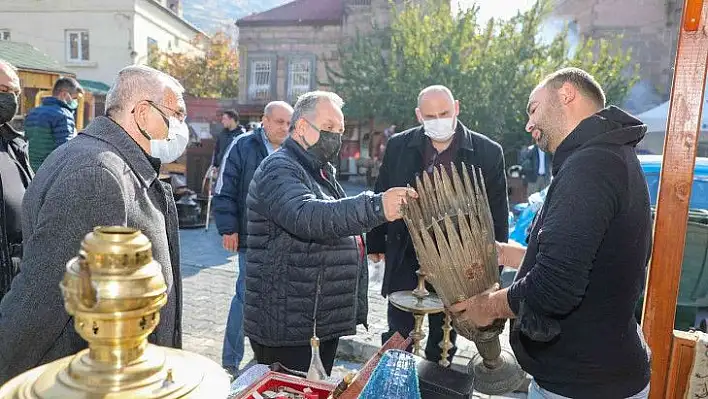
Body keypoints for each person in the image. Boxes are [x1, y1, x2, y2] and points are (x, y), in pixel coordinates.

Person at [449, 67, 651, 398]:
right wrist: (509, 253)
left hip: (583, 385)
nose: (529, 124)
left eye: (533, 108)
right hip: (599, 373)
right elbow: (596, 258)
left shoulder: (590, 166)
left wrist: (485, 306)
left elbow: (556, 286)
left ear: (566, 94)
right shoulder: (610, 153)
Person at [0, 65, 189, 384]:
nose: (182, 128)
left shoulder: (112, 162)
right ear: (143, 113)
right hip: (94, 380)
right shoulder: (97, 176)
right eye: (177, 114)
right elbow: (43, 296)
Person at [244, 91, 417, 373]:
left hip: (316, 319)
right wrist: (376, 207)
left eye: (340, 130)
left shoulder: (319, 170)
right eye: (328, 128)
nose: (335, 136)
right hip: (289, 323)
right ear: (301, 127)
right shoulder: (280, 168)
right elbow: (308, 215)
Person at [366, 85, 509, 364]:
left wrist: (493, 270)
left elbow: (497, 215)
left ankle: (435, 384)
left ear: (456, 107)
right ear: (419, 115)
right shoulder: (399, 145)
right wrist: (375, 241)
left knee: (443, 339)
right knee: (399, 333)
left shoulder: (488, 152)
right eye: (430, 116)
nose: (438, 120)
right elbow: (381, 192)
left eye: (444, 113)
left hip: (460, 262)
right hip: (407, 253)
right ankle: (396, 386)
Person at [212, 100, 294, 377]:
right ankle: (230, 362)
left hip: (287, 240)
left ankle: (267, 358)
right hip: (251, 237)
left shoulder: (295, 149)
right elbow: (225, 187)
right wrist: (228, 228)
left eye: (288, 123)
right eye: (279, 121)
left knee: (279, 300)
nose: (285, 127)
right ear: (265, 120)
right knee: (245, 297)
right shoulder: (243, 145)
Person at [0, 59, 33, 300]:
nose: (10, 99)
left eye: (15, 92)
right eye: (3, 90)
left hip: (14, 282)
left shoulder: (14, 144)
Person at [24, 76, 84, 171]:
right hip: (50, 171)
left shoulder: (33, 112)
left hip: (31, 169)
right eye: (75, 98)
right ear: (64, 94)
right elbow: (66, 149)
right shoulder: (64, 114)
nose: (75, 102)